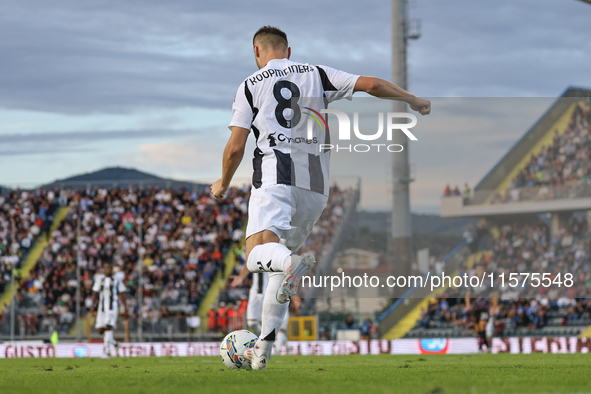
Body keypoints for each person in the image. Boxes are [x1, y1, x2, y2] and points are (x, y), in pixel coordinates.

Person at [211, 26, 430, 370]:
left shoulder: (251, 85)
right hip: (316, 189)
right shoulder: (316, 73)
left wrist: (223, 183)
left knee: (256, 255)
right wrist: (412, 99)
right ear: (289, 50)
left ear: (257, 52)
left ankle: (288, 263)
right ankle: (261, 356)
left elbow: (237, 145)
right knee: (278, 270)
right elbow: (371, 85)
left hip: (276, 179)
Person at [92, 262, 127, 358]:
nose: (108, 270)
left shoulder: (117, 280)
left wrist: (125, 308)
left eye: (110, 268)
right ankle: (116, 345)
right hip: (102, 308)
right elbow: (95, 292)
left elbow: (123, 294)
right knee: (100, 330)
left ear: (112, 269)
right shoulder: (100, 279)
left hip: (112, 307)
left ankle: (107, 352)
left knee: (108, 327)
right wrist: (92, 305)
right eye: (106, 268)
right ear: (104, 269)